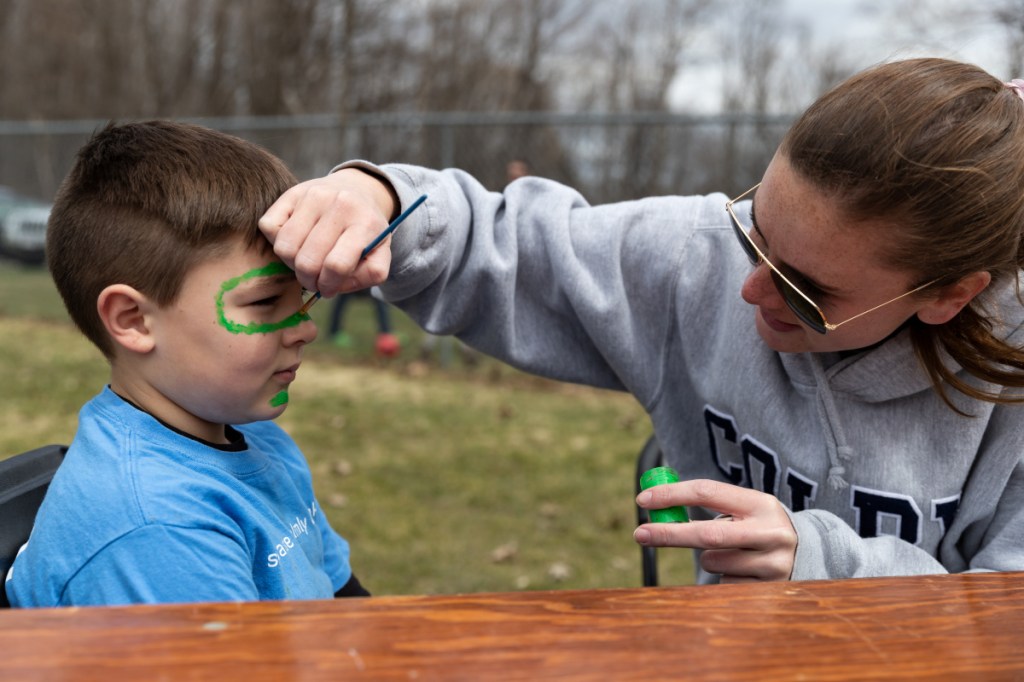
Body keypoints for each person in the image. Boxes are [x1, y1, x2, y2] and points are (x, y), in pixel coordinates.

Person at [259, 58, 1024, 583]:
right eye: (754, 231)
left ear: (949, 295)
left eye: (804, 289)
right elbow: (510, 248)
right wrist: (383, 200)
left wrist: (828, 566)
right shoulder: (696, 261)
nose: (750, 291)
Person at [5, 121, 368, 607]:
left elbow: (349, 600)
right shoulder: (156, 529)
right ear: (133, 320)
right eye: (264, 302)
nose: (305, 327)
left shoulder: (256, 437)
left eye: (299, 296)